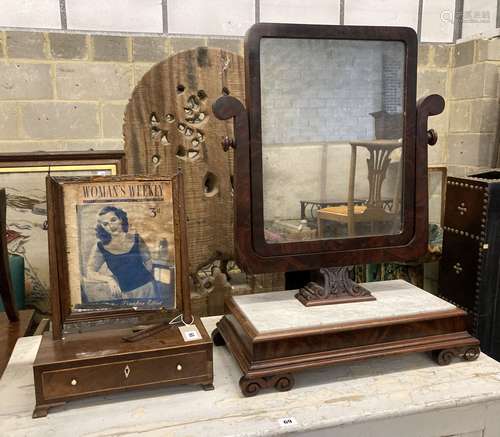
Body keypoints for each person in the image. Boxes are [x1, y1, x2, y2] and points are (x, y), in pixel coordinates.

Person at [85, 206, 156, 300]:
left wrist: (144, 281)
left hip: (148, 287)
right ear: (102, 227)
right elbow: (90, 272)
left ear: (121, 219)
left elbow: (148, 261)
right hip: (126, 293)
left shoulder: (136, 238)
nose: (111, 226)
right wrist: (110, 280)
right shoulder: (100, 247)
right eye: (105, 224)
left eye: (113, 220)